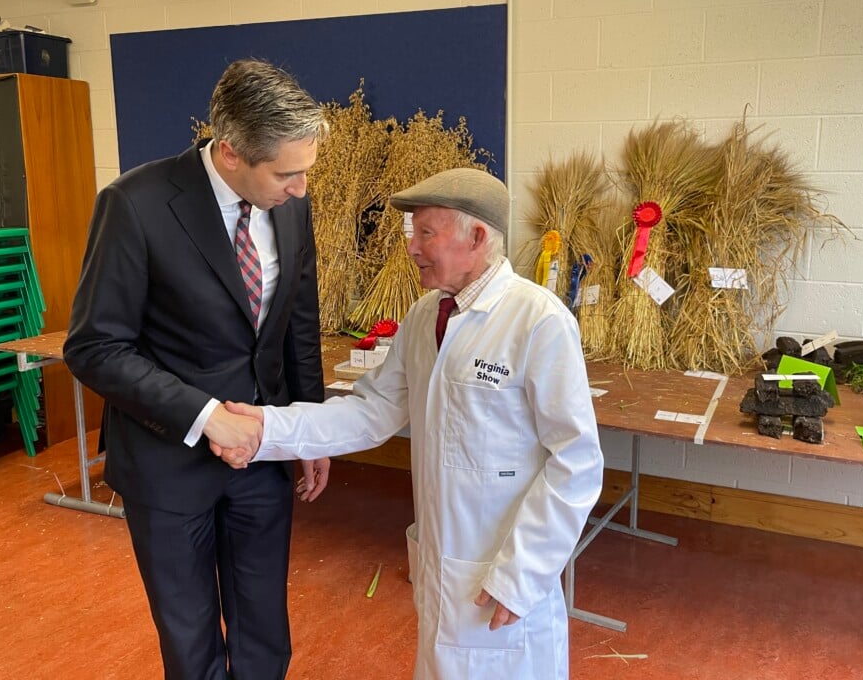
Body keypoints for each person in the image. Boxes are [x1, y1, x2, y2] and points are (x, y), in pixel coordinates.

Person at [218, 168, 604, 680]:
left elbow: (577, 461)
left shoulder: (538, 322)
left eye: (427, 233)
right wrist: (268, 429)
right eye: (411, 233)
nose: (412, 247)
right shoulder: (427, 316)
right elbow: (372, 410)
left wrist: (523, 573)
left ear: (478, 237)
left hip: (502, 573)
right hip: (445, 564)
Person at [64, 59, 331, 680]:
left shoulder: (289, 205)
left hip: (263, 456)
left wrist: (310, 427)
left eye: (305, 173)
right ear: (232, 152)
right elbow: (95, 347)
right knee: (190, 639)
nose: (300, 189)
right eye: (287, 174)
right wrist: (207, 417)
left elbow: (297, 322)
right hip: (167, 462)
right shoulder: (136, 204)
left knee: (265, 624)